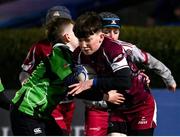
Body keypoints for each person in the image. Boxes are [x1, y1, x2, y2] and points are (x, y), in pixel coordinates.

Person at [98, 11, 176, 136]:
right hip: (117, 108)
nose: (112, 36)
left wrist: (169, 79)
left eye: (116, 32)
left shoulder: (127, 48)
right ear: (97, 32)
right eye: (107, 31)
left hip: (142, 107)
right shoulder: (89, 51)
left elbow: (151, 61)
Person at [10, 17, 79, 136]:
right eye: (77, 33)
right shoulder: (59, 53)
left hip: (41, 114)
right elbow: (73, 84)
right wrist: (105, 96)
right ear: (68, 37)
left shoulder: (70, 56)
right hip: (26, 111)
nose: (81, 36)